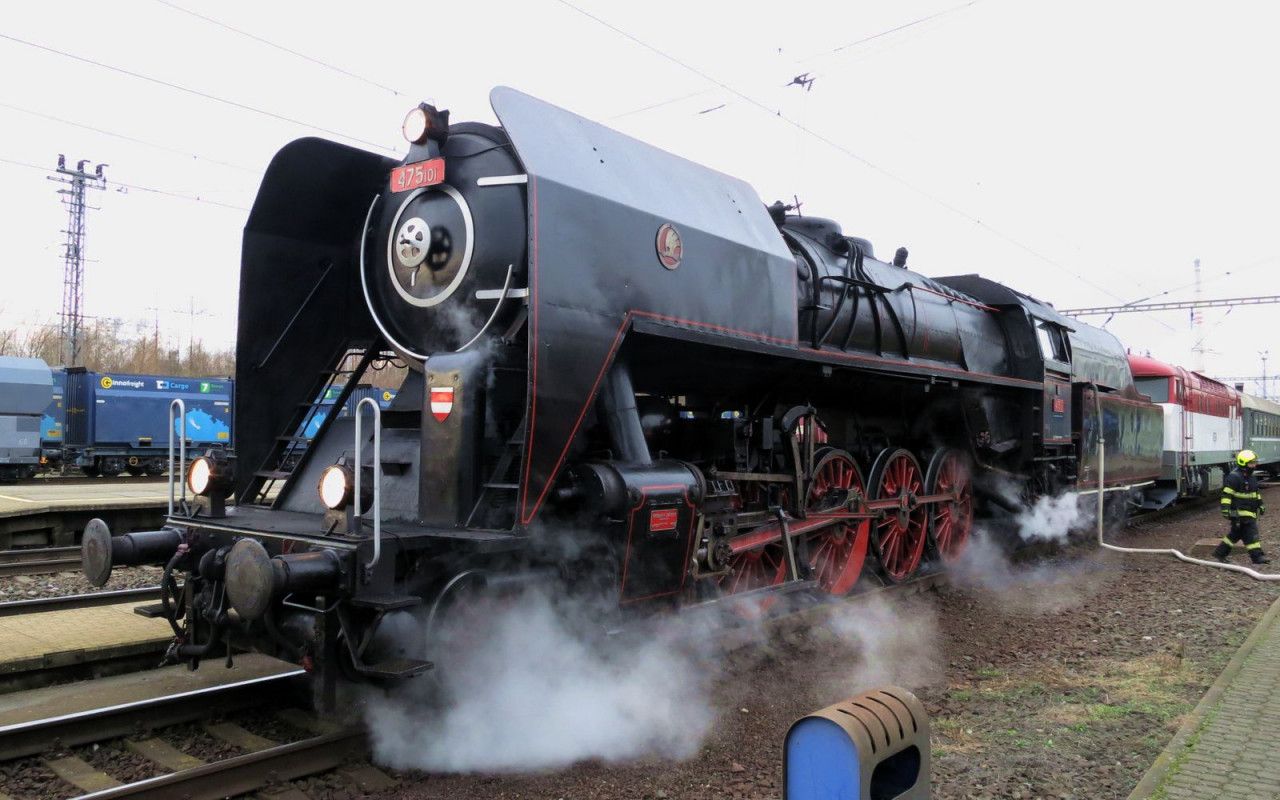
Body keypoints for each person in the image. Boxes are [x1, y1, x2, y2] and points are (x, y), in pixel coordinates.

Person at [1213, 449, 1271, 565]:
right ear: (1243, 463)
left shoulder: (1252, 478)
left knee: (1235, 535)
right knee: (1251, 533)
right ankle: (1257, 557)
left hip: (1249, 512)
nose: (1254, 465)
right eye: (1251, 463)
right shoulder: (1234, 478)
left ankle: (1219, 553)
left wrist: (1261, 505)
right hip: (1239, 513)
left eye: (1254, 462)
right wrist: (1225, 510)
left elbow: (1256, 494)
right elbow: (1226, 495)